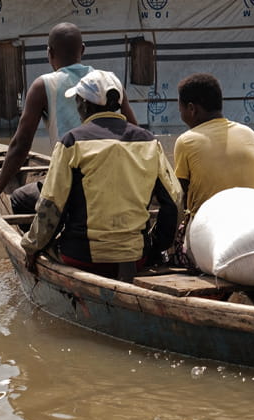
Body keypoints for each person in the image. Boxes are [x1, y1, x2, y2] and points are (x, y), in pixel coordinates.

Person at [20, 70, 180, 281]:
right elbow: (175, 200)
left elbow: (52, 205)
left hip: (81, 257)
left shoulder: (72, 142)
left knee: (42, 238)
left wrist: (31, 247)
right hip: (136, 258)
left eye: (77, 101)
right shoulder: (149, 141)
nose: (77, 109)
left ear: (85, 105)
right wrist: (156, 247)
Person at [0, 22, 136, 211]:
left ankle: (45, 239)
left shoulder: (43, 86)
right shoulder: (110, 80)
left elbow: (21, 144)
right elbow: (135, 132)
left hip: (72, 181)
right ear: (82, 50)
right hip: (119, 176)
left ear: (49, 53)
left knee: (18, 198)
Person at [172, 73, 254, 219]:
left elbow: (181, 194)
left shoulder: (186, 141)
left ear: (192, 109)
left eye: (181, 109)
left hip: (210, 225)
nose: (181, 113)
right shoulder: (249, 133)